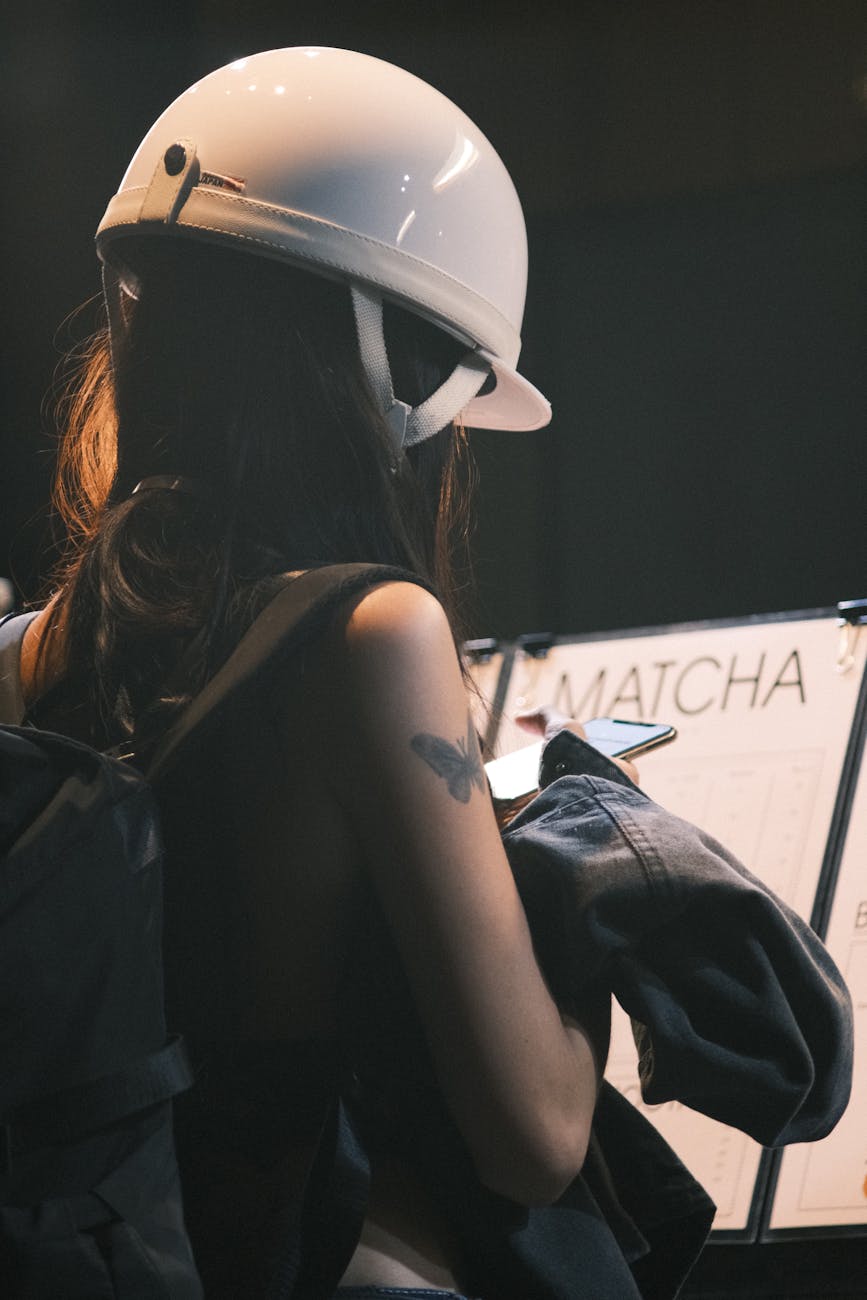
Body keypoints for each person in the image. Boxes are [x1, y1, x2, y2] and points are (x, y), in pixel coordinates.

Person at [2, 47, 616, 1299]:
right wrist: (596, 886)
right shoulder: (373, 636)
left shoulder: (25, 658)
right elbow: (538, 1137)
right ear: (399, 369)